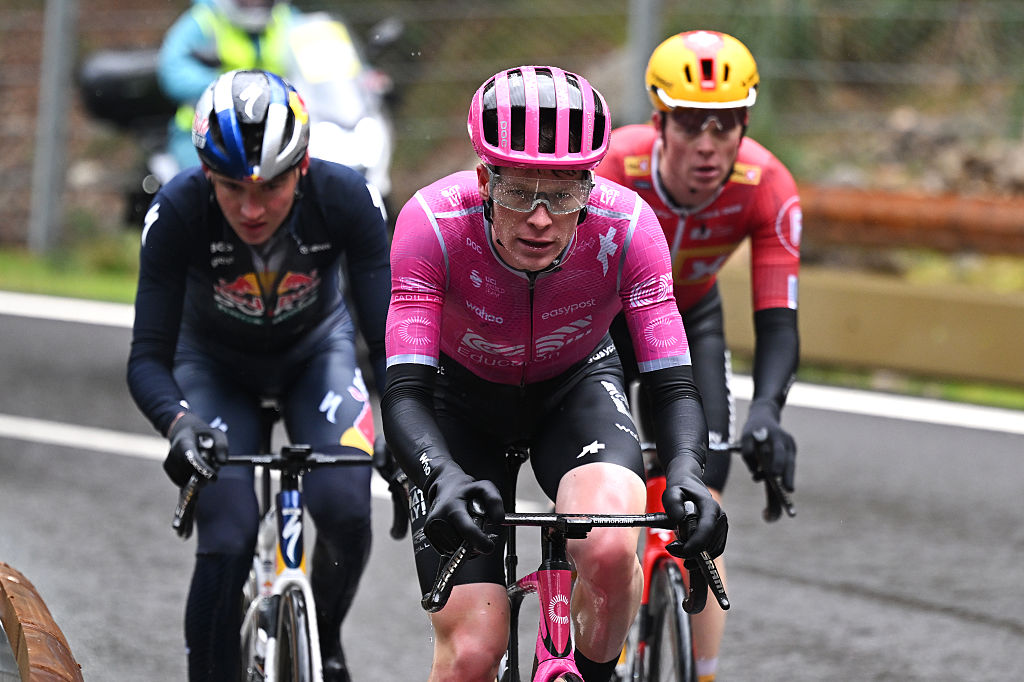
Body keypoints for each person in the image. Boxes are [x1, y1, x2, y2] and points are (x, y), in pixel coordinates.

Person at [381, 65, 728, 682]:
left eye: (563, 194)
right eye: (519, 191)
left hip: (575, 390)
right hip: (459, 403)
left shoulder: (628, 226)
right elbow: (406, 391)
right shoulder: (431, 222)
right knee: (472, 652)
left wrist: (687, 474)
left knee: (611, 544)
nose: (540, 218)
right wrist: (440, 479)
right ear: (485, 179)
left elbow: (673, 381)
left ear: (590, 188)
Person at [126, 69, 391, 682]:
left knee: (347, 506)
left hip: (315, 357)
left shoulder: (347, 197)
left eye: (270, 187)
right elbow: (146, 358)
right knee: (230, 531)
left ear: (301, 169)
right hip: (214, 369)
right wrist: (179, 423)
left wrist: (404, 428)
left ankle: (323, 637)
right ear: (204, 174)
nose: (251, 208)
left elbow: (387, 342)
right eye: (229, 187)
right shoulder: (177, 210)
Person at [595, 30, 801, 681]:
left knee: (703, 507)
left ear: (745, 124)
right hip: (607, 324)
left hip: (690, 322)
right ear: (659, 122)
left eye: (727, 124)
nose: (708, 145)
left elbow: (778, 319)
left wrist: (768, 410)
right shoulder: (611, 167)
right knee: (607, 499)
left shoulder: (766, 183)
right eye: (689, 124)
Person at [157, 0, 298, 173]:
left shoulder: (287, 17)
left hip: (277, 129)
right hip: (204, 131)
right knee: (199, 186)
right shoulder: (204, 19)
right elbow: (173, 73)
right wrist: (229, 88)